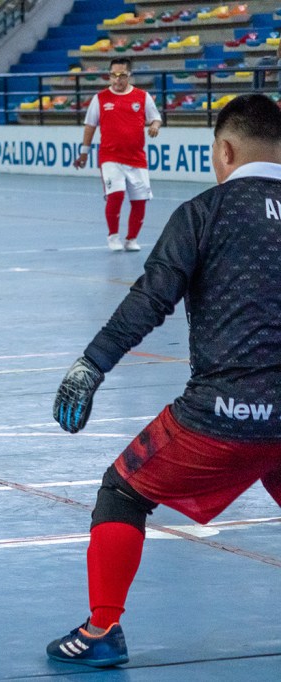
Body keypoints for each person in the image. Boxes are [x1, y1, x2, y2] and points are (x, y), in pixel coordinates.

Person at [49, 93, 281, 668]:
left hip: (221, 417)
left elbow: (150, 300)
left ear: (225, 151)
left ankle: (102, 629)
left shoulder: (204, 213)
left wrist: (90, 365)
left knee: (123, 491)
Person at [73, 57, 162, 252]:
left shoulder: (142, 96)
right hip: (110, 157)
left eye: (122, 75)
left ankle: (131, 239)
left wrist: (155, 126)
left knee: (139, 201)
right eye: (113, 75)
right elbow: (90, 126)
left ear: (129, 75)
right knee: (116, 195)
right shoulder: (100, 98)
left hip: (137, 158)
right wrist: (84, 153)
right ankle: (113, 236)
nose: (117, 79)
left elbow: (156, 118)